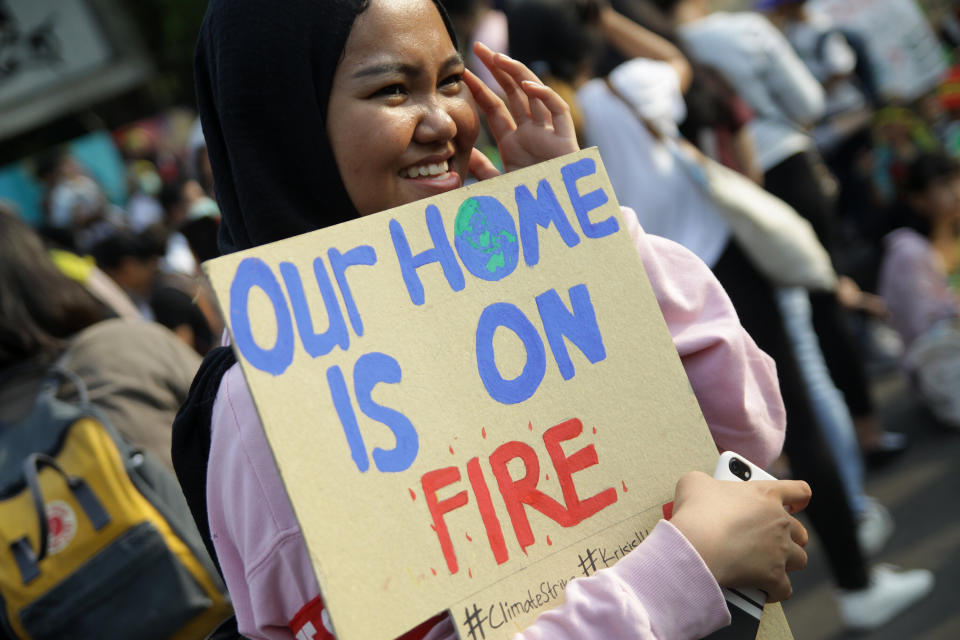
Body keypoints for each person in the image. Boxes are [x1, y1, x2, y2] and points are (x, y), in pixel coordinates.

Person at [172, 1, 813, 638]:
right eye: (393, 90)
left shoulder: (510, 277)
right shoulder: (262, 404)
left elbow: (747, 434)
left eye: (451, 82)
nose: (445, 122)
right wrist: (680, 570)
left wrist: (589, 244)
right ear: (287, 124)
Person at [508, 0, 932, 631]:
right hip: (703, 273)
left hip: (612, 298)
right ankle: (853, 575)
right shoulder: (623, 86)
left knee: (661, 469)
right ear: (585, 38)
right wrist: (610, 20)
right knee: (785, 426)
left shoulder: (544, 133)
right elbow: (676, 61)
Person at [879, 152, 960, 428]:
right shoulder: (909, 253)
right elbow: (922, 330)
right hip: (942, 364)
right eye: (944, 185)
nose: (956, 191)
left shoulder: (952, 235)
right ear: (918, 200)